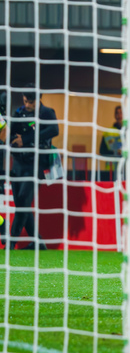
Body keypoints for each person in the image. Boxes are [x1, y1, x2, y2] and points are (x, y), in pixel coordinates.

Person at [7, 85, 59, 250]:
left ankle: (10, 244)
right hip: (17, 163)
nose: (27, 105)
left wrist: (27, 139)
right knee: (21, 204)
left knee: (23, 203)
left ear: (38, 99)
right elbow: (8, 132)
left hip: (35, 164)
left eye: (30, 102)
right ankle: (38, 242)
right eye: (25, 101)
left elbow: (54, 130)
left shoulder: (46, 113)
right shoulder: (19, 112)